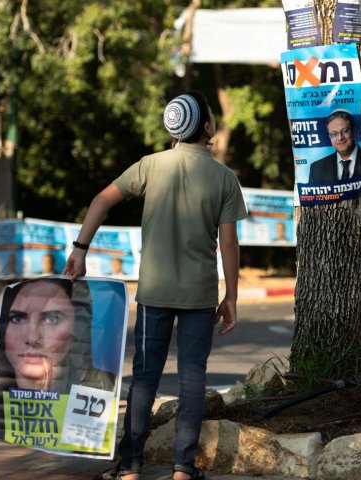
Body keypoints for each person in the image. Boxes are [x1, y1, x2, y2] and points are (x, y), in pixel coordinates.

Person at [64, 91, 247, 480]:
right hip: (199, 294)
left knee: (146, 375)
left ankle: (130, 466)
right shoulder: (223, 177)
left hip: (154, 291)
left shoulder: (150, 165)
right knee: (193, 375)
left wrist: (80, 250)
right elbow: (228, 243)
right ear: (208, 127)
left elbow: (101, 200)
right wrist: (231, 295)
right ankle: (183, 467)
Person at [0, 278, 114, 440]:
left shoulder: (99, 393)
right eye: (18, 318)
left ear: (78, 327)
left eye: (52, 318)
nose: (32, 337)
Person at [308, 110, 361, 183]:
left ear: (353, 131)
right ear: (329, 137)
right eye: (334, 134)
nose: (340, 138)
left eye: (345, 131)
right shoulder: (317, 168)